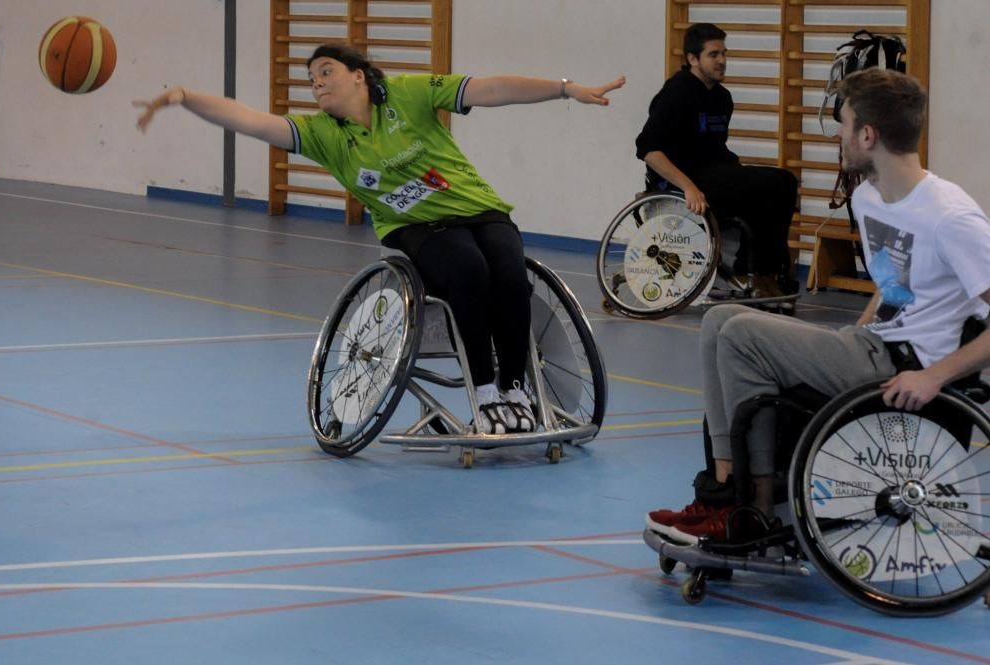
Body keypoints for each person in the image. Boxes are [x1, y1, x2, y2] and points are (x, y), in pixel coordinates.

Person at [135, 43, 625, 435]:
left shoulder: (408, 94)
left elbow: (491, 88)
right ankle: (485, 392)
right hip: (417, 230)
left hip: (479, 209)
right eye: (311, 79)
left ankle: (515, 388)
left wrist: (565, 89)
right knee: (469, 271)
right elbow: (250, 120)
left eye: (325, 71)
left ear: (358, 75)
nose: (317, 83)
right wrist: (186, 98)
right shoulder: (325, 134)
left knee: (510, 271)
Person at [645, 68, 990, 543]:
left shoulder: (951, 216)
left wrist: (935, 376)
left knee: (742, 335)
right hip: (870, 345)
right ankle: (724, 492)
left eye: (845, 125)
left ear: (867, 135)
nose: (840, 137)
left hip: (906, 363)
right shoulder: (870, 198)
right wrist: (853, 337)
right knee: (720, 319)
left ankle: (753, 509)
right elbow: (893, 286)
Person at [635, 23, 797, 299]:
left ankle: (761, 273)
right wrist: (688, 187)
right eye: (713, 54)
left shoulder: (722, 98)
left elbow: (715, 149)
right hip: (684, 181)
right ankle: (756, 273)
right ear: (692, 59)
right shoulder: (677, 92)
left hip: (714, 175)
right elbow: (648, 149)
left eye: (724, 53)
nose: (722, 60)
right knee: (771, 184)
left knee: (783, 182)